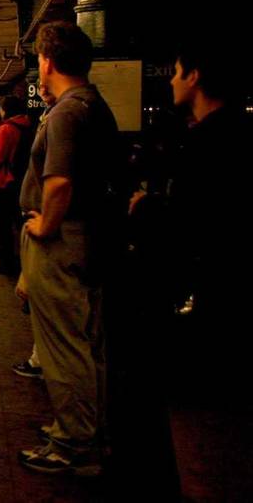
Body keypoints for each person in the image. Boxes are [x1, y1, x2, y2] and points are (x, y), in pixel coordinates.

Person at [124, 38, 252, 498]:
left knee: (197, 434)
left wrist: (146, 209)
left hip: (205, 299)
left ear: (195, 76)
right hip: (220, 296)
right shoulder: (235, 133)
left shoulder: (209, 143)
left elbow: (196, 222)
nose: (172, 80)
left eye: (177, 71)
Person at [14, 21, 121, 477]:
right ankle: (88, 431)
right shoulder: (94, 106)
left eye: (39, 57)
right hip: (92, 241)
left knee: (62, 348)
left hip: (63, 242)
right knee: (88, 346)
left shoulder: (64, 114)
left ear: (49, 61)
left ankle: (72, 443)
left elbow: (58, 183)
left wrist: (43, 226)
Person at [0, 95, 31, 275]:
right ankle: (16, 257)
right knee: (14, 221)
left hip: (4, 180)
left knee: (3, 221)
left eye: (1, 108)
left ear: (7, 109)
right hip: (19, 180)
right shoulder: (26, 125)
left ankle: (5, 261)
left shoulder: (6, 129)